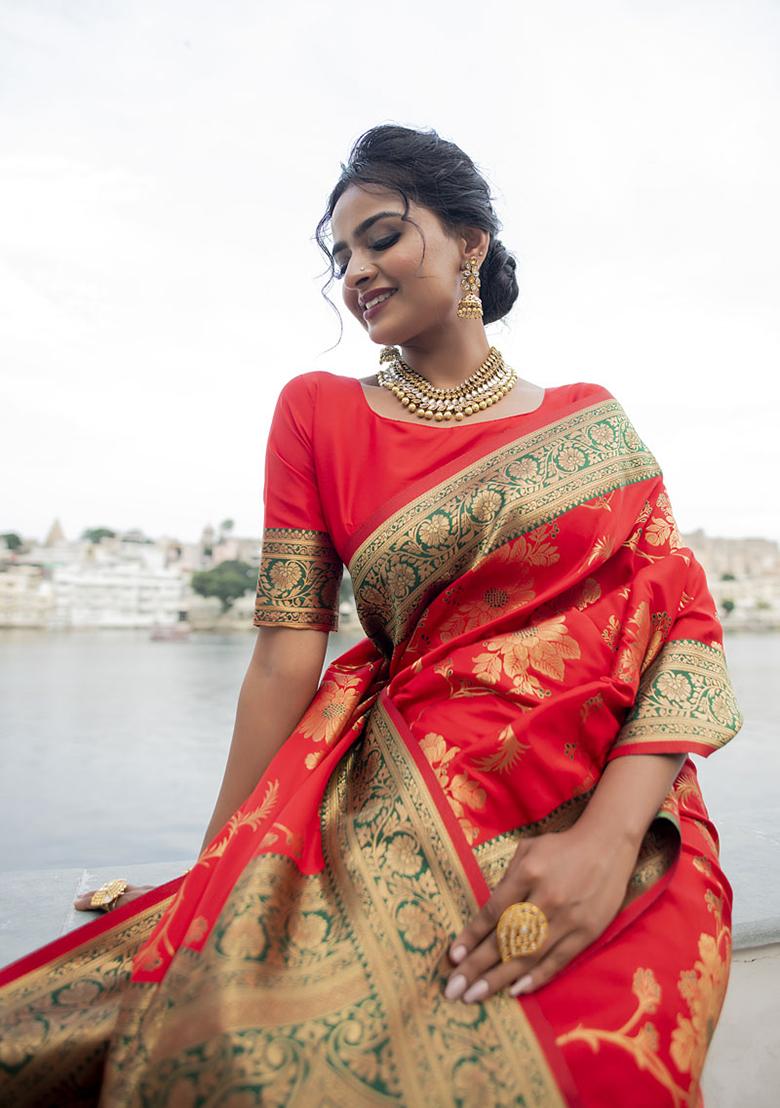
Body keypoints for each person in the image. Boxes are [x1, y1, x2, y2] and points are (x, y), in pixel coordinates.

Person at [0, 123, 742, 1107]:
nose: (354, 272)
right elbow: (283, 659)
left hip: (622, 804)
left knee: (605, 1067)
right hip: (399, 798)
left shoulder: (592, 419)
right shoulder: (317, 413)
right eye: (340, 255)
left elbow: (682, 629)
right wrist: (216, 872)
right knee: (238, 1056)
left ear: (470, 242)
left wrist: (604, 843)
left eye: (381, 237)